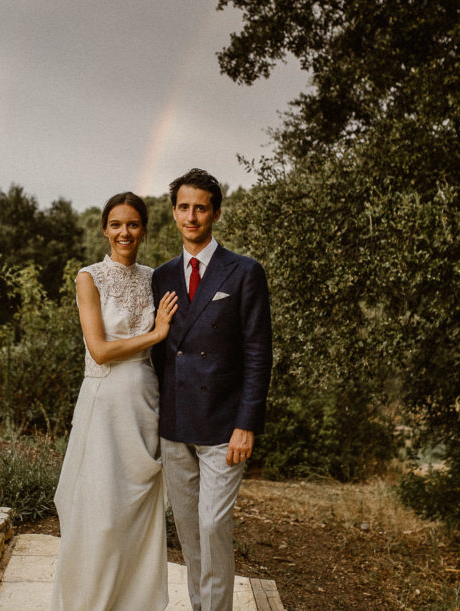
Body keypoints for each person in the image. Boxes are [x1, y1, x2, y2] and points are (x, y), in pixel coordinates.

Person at [50, 192, 179, 611]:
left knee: (137, 515)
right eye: (117, 225)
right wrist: (155, 334)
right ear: (105, 229)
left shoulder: (157, 278)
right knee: (101, 514)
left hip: (146, 403)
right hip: (105, 406)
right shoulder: (89, 278)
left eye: (134, 224)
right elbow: (100, 349)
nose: (125, 232)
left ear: (144, 229)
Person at [151, 169, 273, 611]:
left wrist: (247, 423)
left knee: (212, 524)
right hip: (176, 423)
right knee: (187, 529)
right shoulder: (161, 277)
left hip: (224, 425)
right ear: (174, 213)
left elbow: (259, 354)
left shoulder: (243, 272)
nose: (191, 216)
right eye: (183, 207)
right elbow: (158, 354)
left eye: (200, 207)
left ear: (216, 212)